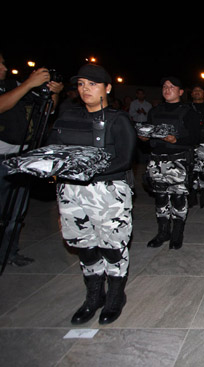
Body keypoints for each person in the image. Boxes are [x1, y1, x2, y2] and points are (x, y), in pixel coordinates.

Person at [47, 63, 136, 324]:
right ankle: (94, 296)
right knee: (83, 246)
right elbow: (52, 150)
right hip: (70, 191)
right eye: (81, 84)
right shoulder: (67, 117)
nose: (86, 89)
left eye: (93, 84)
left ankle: (115, 297)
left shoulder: (118, 119)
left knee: (113, 247)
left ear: (107, 88)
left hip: (107, 192)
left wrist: (88, 169)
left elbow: (125, 158)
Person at [1, 52, 63, 267]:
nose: (4, 67)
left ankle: (9, 252)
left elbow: (49, 109)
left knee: (16, 211)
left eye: (3, 63)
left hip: (22, 157)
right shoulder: (17, 87)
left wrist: (53, 93)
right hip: (1, 158)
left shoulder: (13, 84)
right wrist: (29, 83)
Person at [140, 76, 200, 250]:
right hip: (157, 161)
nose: (167, 89)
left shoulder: (189, 112)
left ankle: (177, 233)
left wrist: (176, 139)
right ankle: (163, 232)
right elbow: (148, 132)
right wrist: (144, 137)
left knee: (178, 198)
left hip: (178, 161)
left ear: (180, 92)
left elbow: (196, 137)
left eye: (172, 86)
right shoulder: (154, 111)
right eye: (165, 86)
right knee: (160, 198)